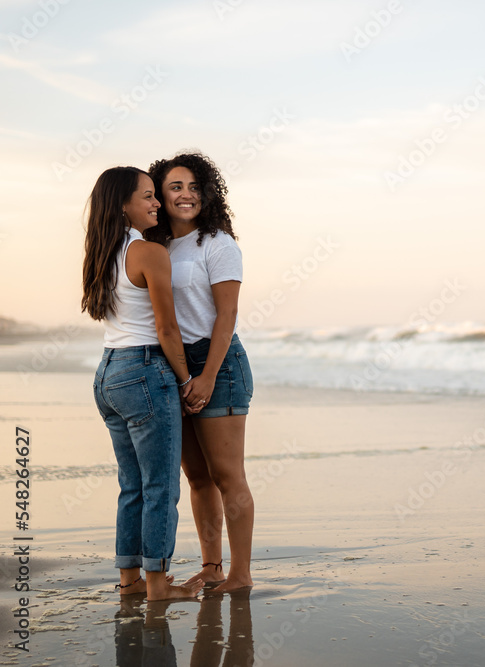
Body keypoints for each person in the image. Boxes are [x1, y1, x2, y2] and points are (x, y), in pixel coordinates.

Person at [82, 166, 204, 600]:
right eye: (148, 196)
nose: (157, 204)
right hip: (145, 371)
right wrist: (187, 378)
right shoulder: (149, 252)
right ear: (122, 204)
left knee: (132, 485)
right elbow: (167, 329)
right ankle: (157, 585)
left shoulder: (102, 251)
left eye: (156, 195)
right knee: (161, 486)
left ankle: (130, 581)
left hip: (109, 374)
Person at [147, 152, 255, 593]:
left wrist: (207, 376)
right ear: (160, 195)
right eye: (175, 187)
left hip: (219, 363)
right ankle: (211, 566)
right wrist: (181, 373)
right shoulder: (153, 247)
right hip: (173, 365)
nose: (186, 195)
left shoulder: (218, 244)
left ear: (206, 193)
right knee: (197, 477)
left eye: (194, 187)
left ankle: (240, 574)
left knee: (228, 476)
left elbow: (226, 316)